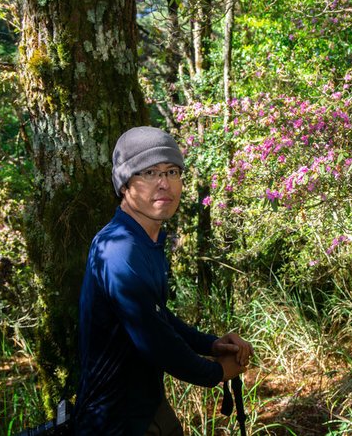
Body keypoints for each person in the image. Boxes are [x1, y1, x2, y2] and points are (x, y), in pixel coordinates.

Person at [73, 126, 253, 435]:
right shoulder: (119, 248)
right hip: (114, 421)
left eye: (172, 171)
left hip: (147, 406)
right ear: (124, 184)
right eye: (149, 172)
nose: (164, 183)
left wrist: (210, 344)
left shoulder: (148, 239)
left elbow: (155, 314)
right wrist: (218, 372)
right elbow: (155, 342)